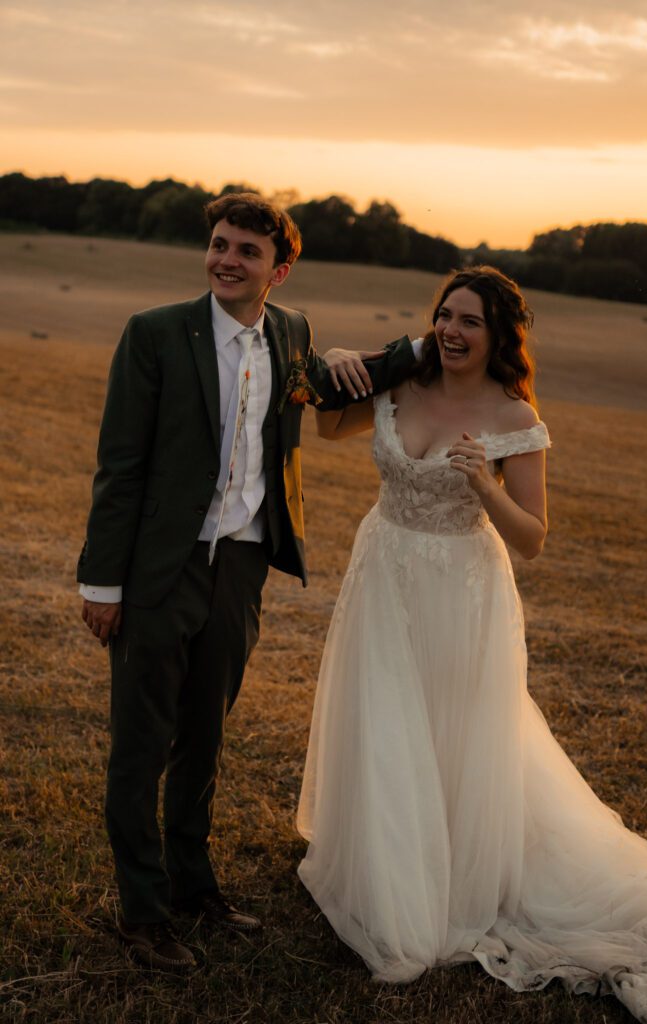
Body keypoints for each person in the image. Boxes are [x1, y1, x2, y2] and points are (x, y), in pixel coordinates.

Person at [297, 266, 647, 1022]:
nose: (451, 330)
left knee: (456, 733)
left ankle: (448, 877)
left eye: (469, 321)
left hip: (462, 589)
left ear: (497, 335)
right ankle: (389, 861)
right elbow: (327, 424)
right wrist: (340, 364)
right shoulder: (401, 380)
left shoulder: (513, 412)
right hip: (383, 573)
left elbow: (532, 540)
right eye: (445, 314)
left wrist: (483, 484)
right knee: (383, 723)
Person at [78, 192, 417, 971]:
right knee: (140, 746)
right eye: (220, 244)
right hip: (158, 570)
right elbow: (119, 463)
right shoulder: (155, 333)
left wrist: (430, 345)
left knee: (204, 735)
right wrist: (103, 582)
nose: (226, 259)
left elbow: (335, 388)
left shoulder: (292, 334)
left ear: (281, 269)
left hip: (239, 566)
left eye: (246, 251)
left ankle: (195, 888)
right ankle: (143, 914)